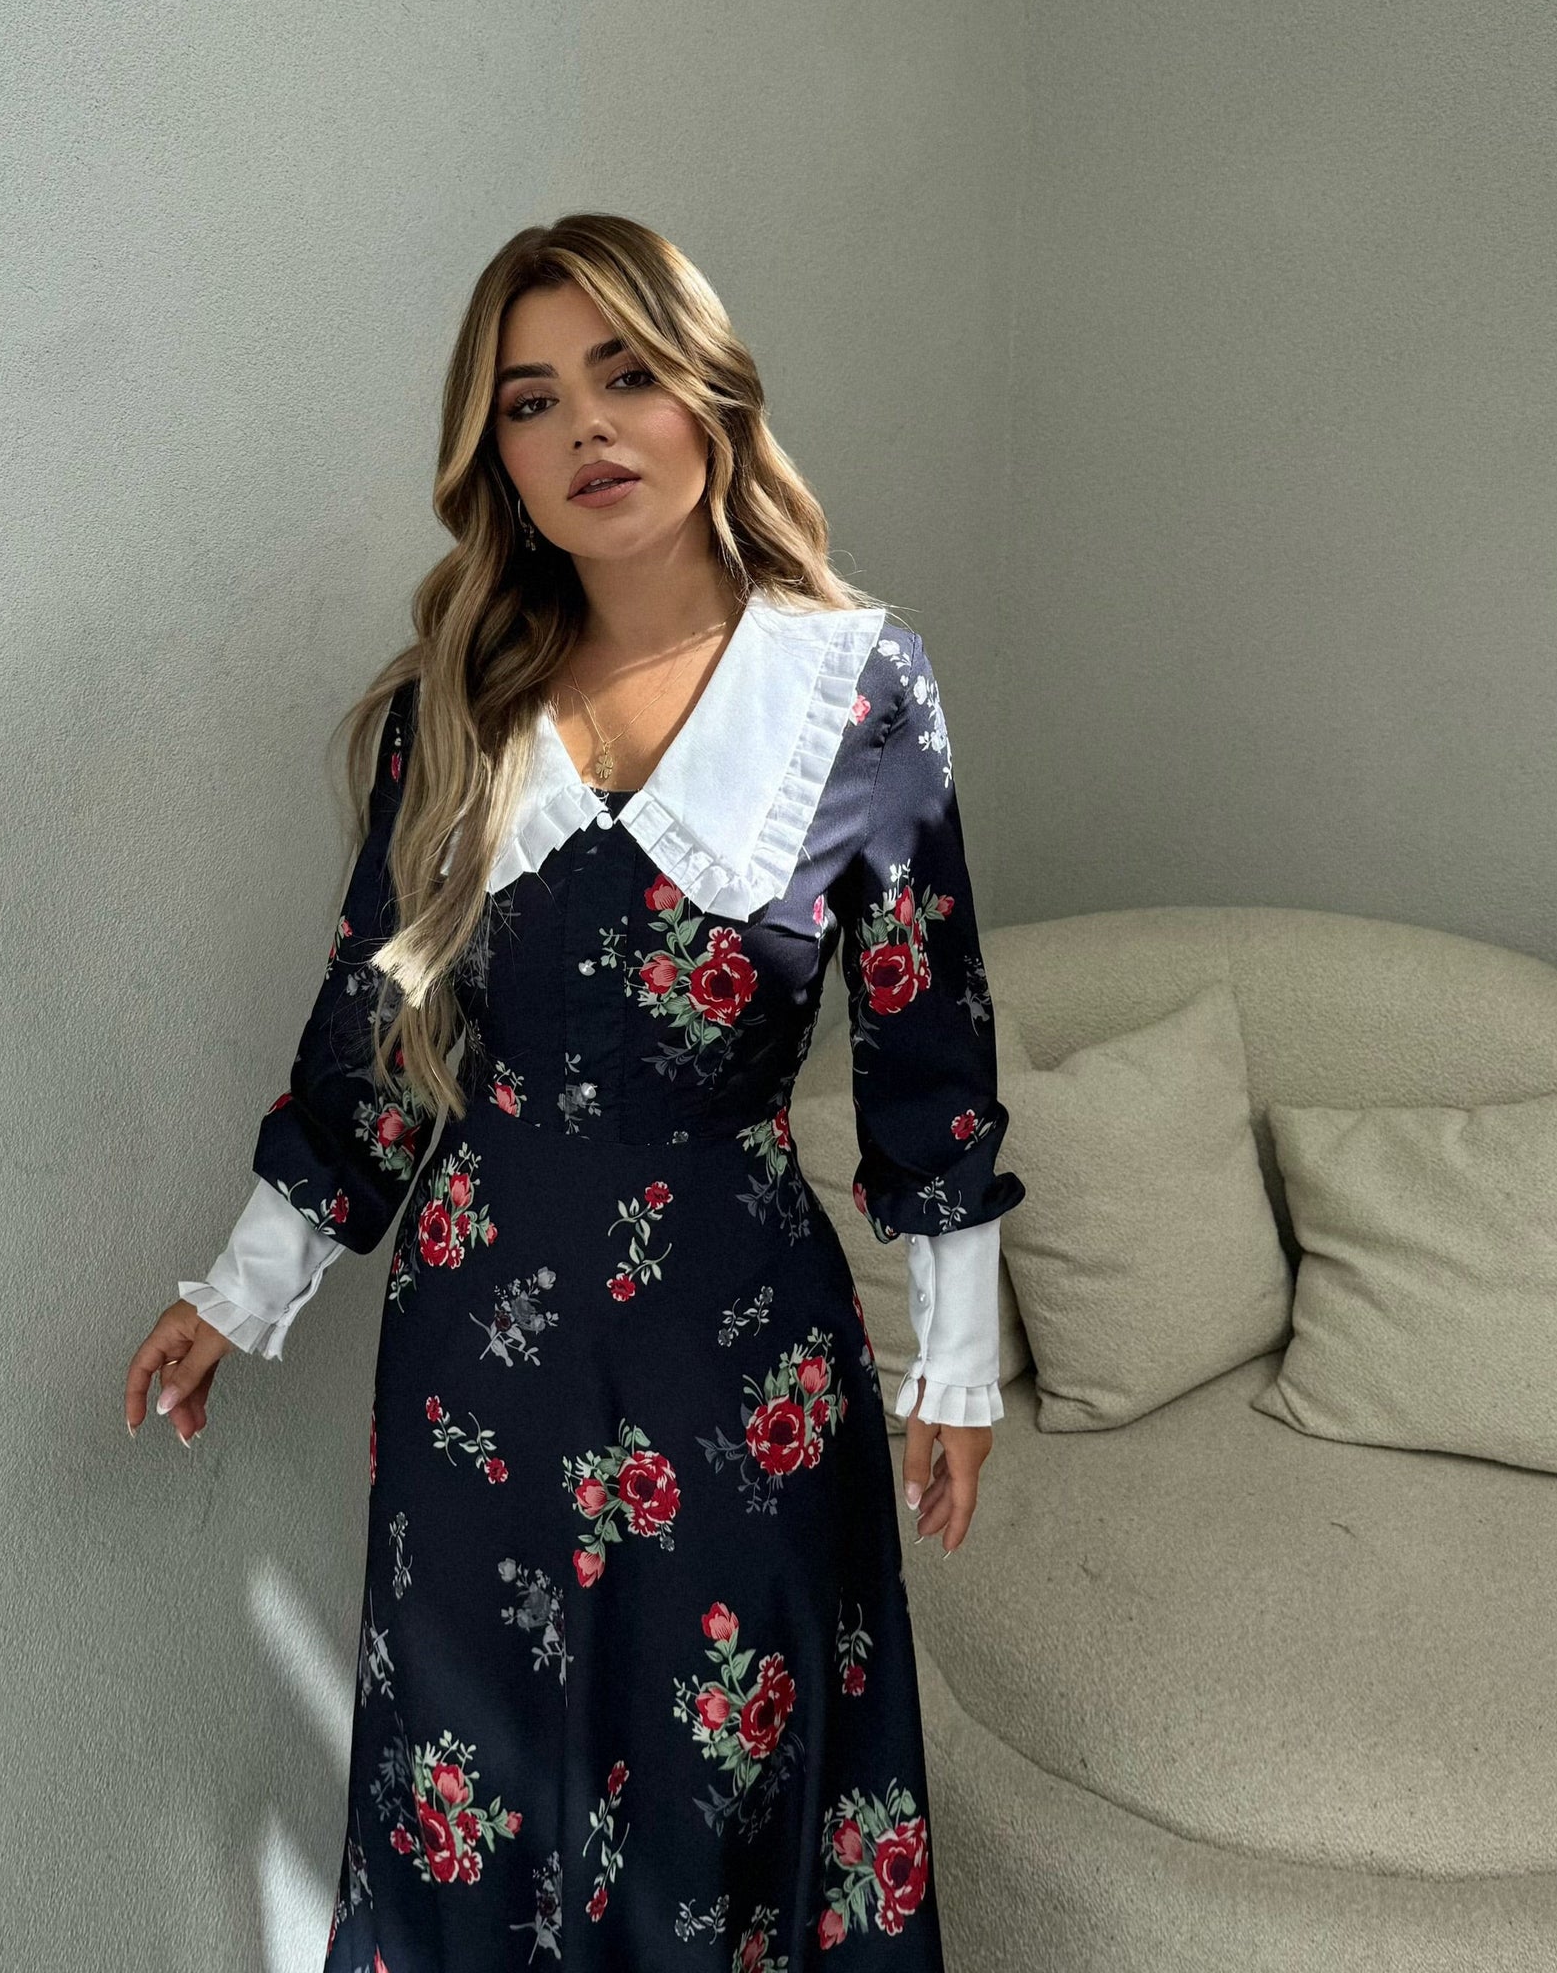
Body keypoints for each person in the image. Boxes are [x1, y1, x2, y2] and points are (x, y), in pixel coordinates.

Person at [125, 212, 1026, 1969]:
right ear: (500, 463)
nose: (587, 427)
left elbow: (931, 1046)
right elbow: (374, 1039)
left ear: (709, 397)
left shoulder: (855, 687)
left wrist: (960, 1361)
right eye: (532, 401)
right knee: (474, 1801)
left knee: (724, 1797)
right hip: (478, 1364)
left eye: (624, 374)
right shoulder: (456, 708)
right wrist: (236, 1289)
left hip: (741, 1362)